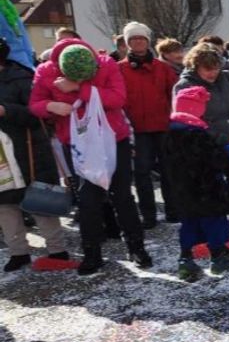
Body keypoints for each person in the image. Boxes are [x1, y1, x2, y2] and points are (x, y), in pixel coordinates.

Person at [29, 39, 151, 275]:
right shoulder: (45, 71)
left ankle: (137, 247)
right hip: (76, 144)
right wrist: (51, 106)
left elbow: (117, 98)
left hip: (114, 140)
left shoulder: (106, 64)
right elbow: (35, 104)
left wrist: (78, 89)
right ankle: (92, 253)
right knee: (88, 200)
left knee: (122, 195)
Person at [173, 43, 229, 250]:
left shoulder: (228, 78)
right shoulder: (184, 86)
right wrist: (223, 138)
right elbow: (190, 122)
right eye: (208, 69)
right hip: (208, 150)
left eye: (216, 68)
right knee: (212, 198)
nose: (213, 73)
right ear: (196, 66)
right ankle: (215, 241)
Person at [0, 37, 69, 271]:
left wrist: (6, 111)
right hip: (1, 158)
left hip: (28, 151)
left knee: (39, 201)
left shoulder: (21, 79)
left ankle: (57, 249)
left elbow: (37, 113)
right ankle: (18, 252)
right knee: (5, 206)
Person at [164, 86, 229, 280]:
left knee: (189, 224)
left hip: (183, 191)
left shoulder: (169, 133)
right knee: (214, 222)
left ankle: (186, 260)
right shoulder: (198, 135)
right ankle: (219, 258)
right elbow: (217, 159)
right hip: (207, 189)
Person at [118, 21, 178, 228]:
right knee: (142, 174)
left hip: (163, 127)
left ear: (147, 41)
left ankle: (173, 210)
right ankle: (149, 215)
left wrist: (175, 119)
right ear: (127, 43)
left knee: (169, 171)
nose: (137, 42)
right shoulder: (120, 70)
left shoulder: (163, 69)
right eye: (133, 39)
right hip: (137, 131)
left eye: (141, 38)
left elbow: (175, 95)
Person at [0, 0, 34, 71]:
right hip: (8, 60)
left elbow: (21, 30)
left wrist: (30, 53)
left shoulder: (7, 3)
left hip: (22, 55)